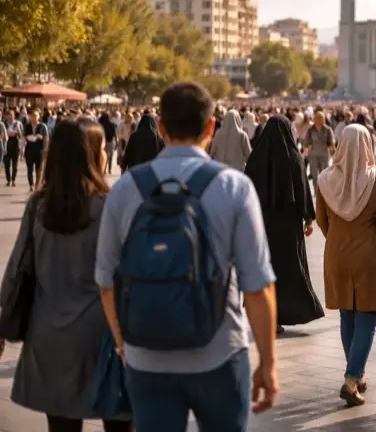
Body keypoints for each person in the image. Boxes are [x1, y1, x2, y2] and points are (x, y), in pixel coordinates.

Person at [95, 82, 279, 431]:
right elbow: (258, 286)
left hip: (147, 357)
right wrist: (267, 363)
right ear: (211, 126)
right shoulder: (234, 187)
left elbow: (106, 280)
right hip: (219, 351)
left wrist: (123, 343)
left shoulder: (125, 188)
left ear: (160, 126)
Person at [0, 119, 132, 432]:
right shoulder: (111, 206)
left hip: (49, 335)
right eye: (102, 148)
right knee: (120, 422)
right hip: (105, 336)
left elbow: (16, 270)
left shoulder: (39, 205)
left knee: (61, 426)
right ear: (92, 155)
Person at [316, 125, 376, 407]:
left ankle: (356, 373)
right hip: (370, 256)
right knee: (367, 317)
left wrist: (339, 237)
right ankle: (351, 380)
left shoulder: (324, 180)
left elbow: (321, 219)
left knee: (346, 315)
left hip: (337, 254)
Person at [244, 114, 323, 333]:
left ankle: (269, 316)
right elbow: (302, 189)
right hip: (288, 227)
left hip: (263, 225)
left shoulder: (257, 157)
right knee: (290, 270)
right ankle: (291, 312)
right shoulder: (293, 157)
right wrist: (308, 219)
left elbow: (247, 189)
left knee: (266, 270)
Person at [303, 111, 335, 191]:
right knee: (314, 175)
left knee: (323, 175)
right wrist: (305, 153)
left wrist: (334, 155)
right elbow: (306, 143)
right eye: (318, 118)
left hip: (324, 155)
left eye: (322, 118)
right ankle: (316, 191)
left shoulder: (328, 129)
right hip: (313, 156)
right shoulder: (310, 130)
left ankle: (323, 192)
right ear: (315, 119)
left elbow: (331, 143)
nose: (320, 120)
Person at [23, 110, 49, 191]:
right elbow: (23, 137)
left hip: (39, 150)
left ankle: (37, 184)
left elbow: (46, 138)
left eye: (35, 116)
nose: (33, 118)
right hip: (29, 150)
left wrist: (45, 149)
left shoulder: (43, 126)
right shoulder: (27, 126)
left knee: (39, 169)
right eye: (32, 116)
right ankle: (31, 184)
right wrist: (22, 149)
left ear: (38, 117)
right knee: (29, 168)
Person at [4, 109, 22, 186]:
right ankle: (8, 180)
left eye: (11, 115)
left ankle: (13, 180)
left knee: (15, 165)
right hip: (6, 144)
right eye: (8, 115)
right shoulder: (4, 124)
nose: (9, 117)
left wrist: (18, 130)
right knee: (6, 164)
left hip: (15, 144)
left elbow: (20, 135)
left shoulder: (17, 123)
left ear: (13, 115)